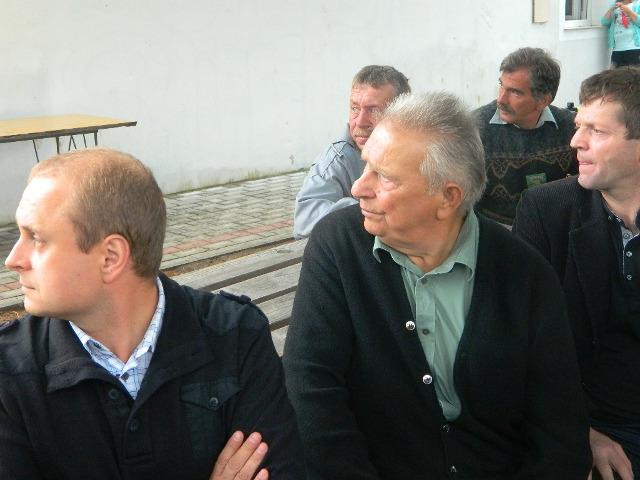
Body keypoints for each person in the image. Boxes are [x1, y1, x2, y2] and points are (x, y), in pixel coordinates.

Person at [283, 92, 591, 478]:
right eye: (365, 167)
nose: (359, 188)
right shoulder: (339, 245)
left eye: (385, 177)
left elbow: (559, 429)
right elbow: (312, 392)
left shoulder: (525, 274)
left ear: (447, 198)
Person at [0, 148, 304, 479]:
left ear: (110, 257)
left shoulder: (236, 335)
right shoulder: (9, 370)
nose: (13, 260)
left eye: (36, 238)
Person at [513, 67, 640, 480]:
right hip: (590, 421)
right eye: (578, 126)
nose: (575, 141)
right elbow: (517, 340)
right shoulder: (546, 211)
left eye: (596, 131)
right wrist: (577, 431)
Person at [293, 64, 410, 238]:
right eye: (355, 108)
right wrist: (367, 208)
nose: (360, 122)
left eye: (373, 110)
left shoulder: (419, 149)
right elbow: (305, 221)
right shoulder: (337, 158)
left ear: (402, 114)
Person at [474, 47, 577, 225]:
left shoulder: (571, 128)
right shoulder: (475, 129)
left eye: (515, 92)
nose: (501, 100)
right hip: (496, 229)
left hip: (553, 228)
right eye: (501, 85)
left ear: (543, 100)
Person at [602, 1, 640, 68]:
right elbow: (604, 22)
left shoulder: (638, 3)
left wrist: (628, 11)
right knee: (616, 74)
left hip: (634, 48)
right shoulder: (615, 4)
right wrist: (611, 9)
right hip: (617, 49)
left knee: (634, 74)